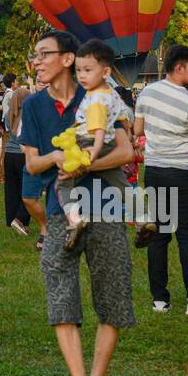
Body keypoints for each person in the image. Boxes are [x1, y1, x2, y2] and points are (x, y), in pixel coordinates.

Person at [20, 31, 135, 376]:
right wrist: (56, 156)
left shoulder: (100, 92)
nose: (36, 61)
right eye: (35, 55)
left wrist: (85, 164)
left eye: (44, 54)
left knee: (113, 295)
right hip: (62, 213)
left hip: (106, 207)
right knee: (60, 294)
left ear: (68, 59)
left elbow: (126, 151)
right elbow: (31, 164)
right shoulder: (33, 105)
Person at [134, 44, 188, 316]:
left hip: (155, 171)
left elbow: (138, 129)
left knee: (159, 236)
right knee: (187, 236)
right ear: (179, 67)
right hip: (182, 172)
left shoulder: (147, 93)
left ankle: (160, 299)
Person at [59, 40, 143, 251]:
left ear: (106, 71)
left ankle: (74, 219)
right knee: (121, 183)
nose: (82, 75)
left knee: (63, 181)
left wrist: (92, 154)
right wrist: (130, 134)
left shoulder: (94, 99)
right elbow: (124, 117)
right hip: (111, 143)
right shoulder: (111, 94)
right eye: (78, 70)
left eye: (87, 70)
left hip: (89, 143)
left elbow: (97, 130)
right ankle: (143, 218)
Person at [0, 74, 32, 234]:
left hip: (9, 154)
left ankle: (11, 217)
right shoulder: (28, 115)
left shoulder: (8, 115)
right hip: (22, 154)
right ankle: (21, 218)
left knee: (11, 188)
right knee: (27, 188)